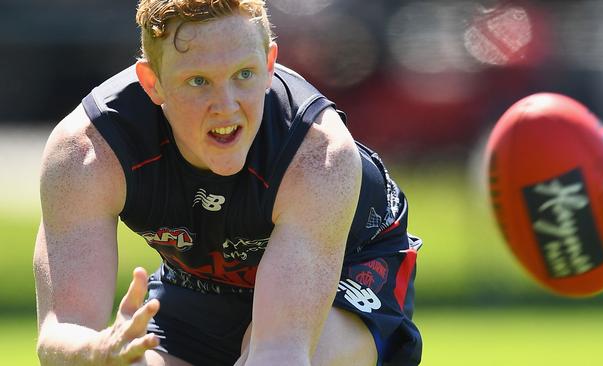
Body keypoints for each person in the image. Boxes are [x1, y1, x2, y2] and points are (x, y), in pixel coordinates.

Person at [33, 0, 422, 365]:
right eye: (198, 81)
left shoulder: (317, 155)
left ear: (270, 64)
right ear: (153, 82)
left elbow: (280, 350)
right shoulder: (88, 152)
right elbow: (59, 333)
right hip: (196, 283)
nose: (226, 105)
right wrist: (99, 350)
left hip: (347, 270)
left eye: (244, 75)